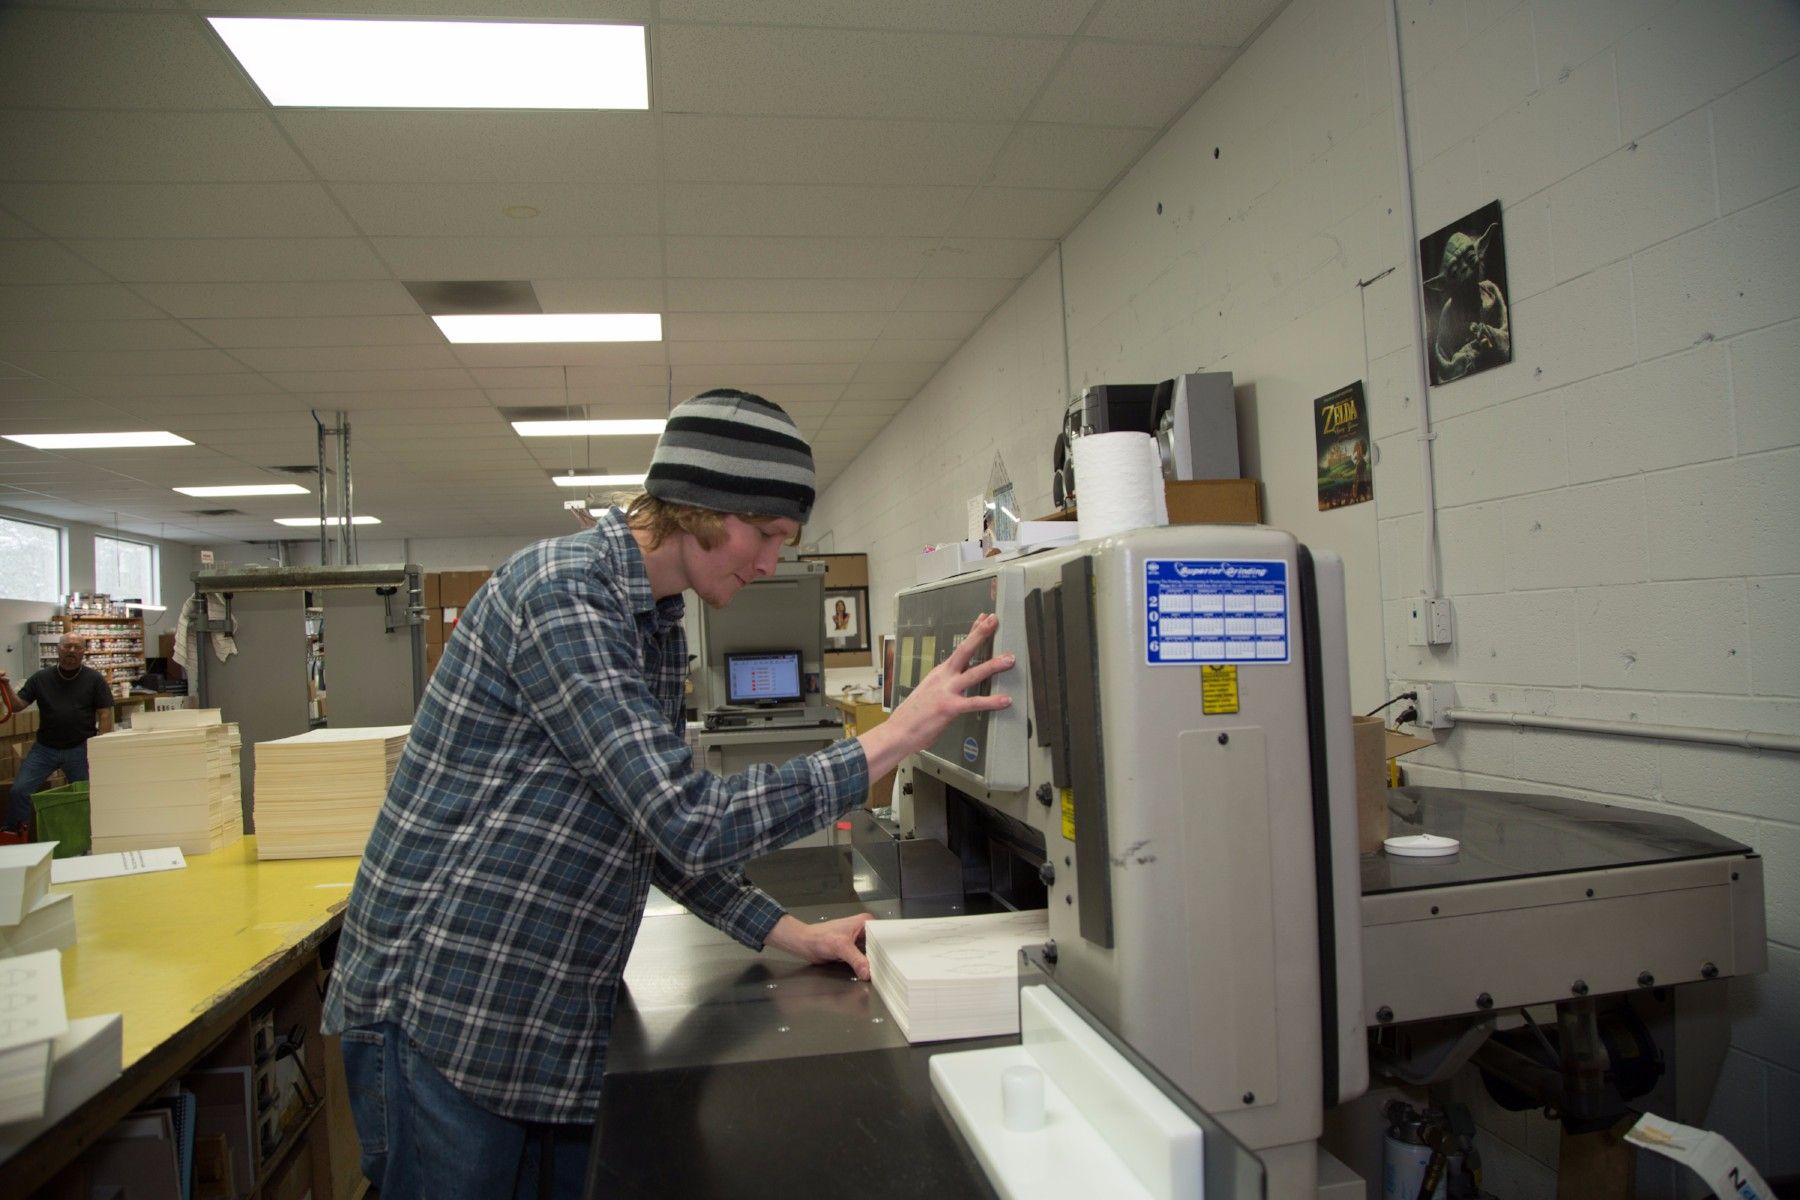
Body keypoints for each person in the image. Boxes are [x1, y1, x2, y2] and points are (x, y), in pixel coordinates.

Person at [322, 388, 1015, 1199]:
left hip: (546, 1016)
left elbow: (644, 827)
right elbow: (687, 819)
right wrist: (894, 735)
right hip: (450, 1009)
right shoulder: (561, 595)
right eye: (764, 536)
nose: (767, 565)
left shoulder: (653, 623)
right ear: (697, 509)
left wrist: (794, 934)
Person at [1, 632, 115, 835]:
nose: (71, 651)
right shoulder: (41, 678)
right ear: (58, 649)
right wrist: (5, 685)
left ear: (83, 652)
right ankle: (16, 835)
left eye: (77, 647)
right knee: (20, 791)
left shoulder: (94, 679)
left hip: (80, 748)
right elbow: (18, 706)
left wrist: (98, 748)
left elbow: (105, 714)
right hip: (45, 749)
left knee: (86, 794)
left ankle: (90, 837)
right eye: (67, 646)